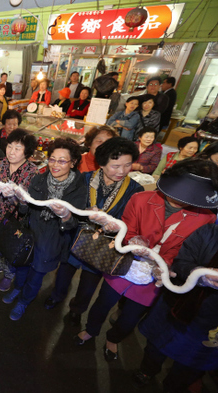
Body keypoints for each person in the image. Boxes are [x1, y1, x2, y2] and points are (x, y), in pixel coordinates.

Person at [74, 159, 217, 361]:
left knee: (131, 317)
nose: (180, 199)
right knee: (102, 303)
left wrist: (165, 263)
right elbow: (128, 228)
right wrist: (133, 239)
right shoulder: (141, 198)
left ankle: (113, 338)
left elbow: (190, 251)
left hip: (156, 276)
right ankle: (91, 330)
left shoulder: (206, 218)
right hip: (124, 262)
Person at [45, 138, 143, 324]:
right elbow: (70, 205)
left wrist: (115, 224)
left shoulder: (134, 190)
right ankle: (57, 296)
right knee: (64, 272)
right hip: (75, 237)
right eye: (115, 166)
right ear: (102, 163)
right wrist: (82, 212)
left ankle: (77, 309)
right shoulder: (84, 179)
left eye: (128, 165)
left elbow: (131, 221)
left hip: (103, 244)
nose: (122, 171)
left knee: (89, 285)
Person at [5, 138, 88, 321]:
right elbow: (25, 211)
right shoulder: (39, 179)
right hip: (30, 234)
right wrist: (21, 201)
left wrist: (65, 215)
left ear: (73, 163)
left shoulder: (79, 189)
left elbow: (74, 223)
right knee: (21, 268)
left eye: (62, 160)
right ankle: (17, 288)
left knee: (36, 276)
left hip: (53, 240)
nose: (55, 165)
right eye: (52, 159)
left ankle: (24, 301)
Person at [133, 223, 218, 392]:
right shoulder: (209, 232)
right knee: (155, 346)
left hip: (210, 324)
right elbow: (182, 262)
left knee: (191, 364)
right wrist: (200, 275)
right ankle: (147, 371)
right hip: (177, 305)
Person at [0, 130, 39, 291]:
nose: (11, 151)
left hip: (15, 221)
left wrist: (15, 197)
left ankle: (8, 274)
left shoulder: (32, 172)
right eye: (10, 146)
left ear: (26, 151)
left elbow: (28, 204)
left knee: (11, 250)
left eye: (17, 148)